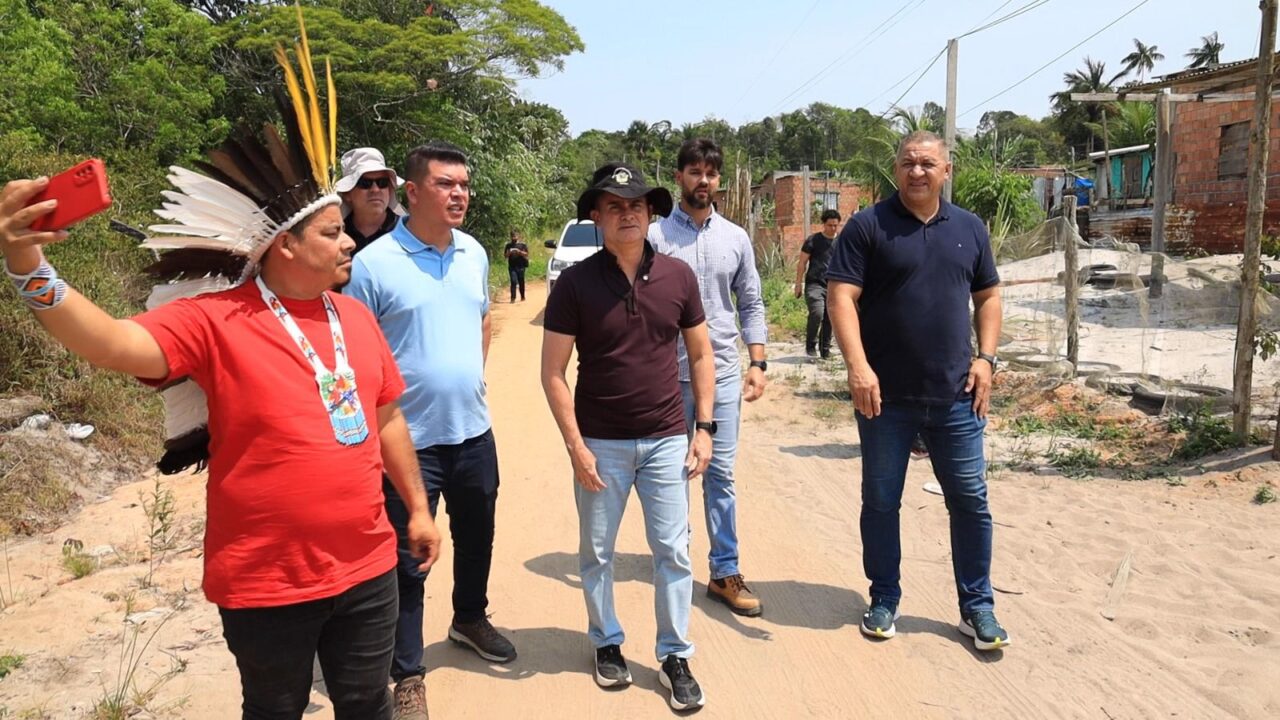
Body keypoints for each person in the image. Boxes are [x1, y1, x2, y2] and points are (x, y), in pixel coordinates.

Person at [0, 22, 441, 717]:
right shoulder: (215, 320)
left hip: (367, 569)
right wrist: (29, 266)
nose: (350, 239)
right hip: (266, 582)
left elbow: (386, 415)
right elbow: (112, 343)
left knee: (368, 705)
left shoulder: (353, 318)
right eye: (331, 233)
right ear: (284, 246)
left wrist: (415, 508)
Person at [344, 141, 514, 719]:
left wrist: (467, 381)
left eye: (464, 184)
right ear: (411, 192)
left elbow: (483, 319)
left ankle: (470, 618)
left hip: (472, 432)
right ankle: (408, 673)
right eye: (445, 184)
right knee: (408, 560)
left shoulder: (473, 252)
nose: (459, 193)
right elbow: (355, 353)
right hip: (406, 443)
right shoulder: (373, 264)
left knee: (478, 536)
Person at [826, 130, 1009, 652]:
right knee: (881, 501)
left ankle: (978, 607)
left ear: (946, 171)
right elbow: (841, 297)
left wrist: (987, 359)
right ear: (896, 169)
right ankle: (884, 596)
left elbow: (989, 297)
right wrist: (858, 368)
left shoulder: (969, 228)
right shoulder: (868, 226)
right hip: (884, 399)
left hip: (957, 395)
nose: (917, 172)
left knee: (971, 501)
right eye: (908, 163)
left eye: (928, 163)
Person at [541, 163, 715, 711]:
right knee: (596, 552)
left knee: (673, 552)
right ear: (595, 215)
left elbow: (702, 353)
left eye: (637, 204)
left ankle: (674, 656)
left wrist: (704, 427)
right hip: (601, 442)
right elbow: (553, 372)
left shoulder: (678, 277)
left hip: (666, 437)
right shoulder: (574, 284)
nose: (627, 213)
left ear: (651, 212)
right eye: (614, 205)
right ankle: (606, 642)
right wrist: (576, 446)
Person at [649, 138, 768, 617]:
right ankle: (675, 567)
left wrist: (757, 362)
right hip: (664, 374)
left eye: (711, 174)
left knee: (719, 473)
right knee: (671, 474)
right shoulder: (656, 238)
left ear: (719, 181)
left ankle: (724, 572)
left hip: (720, 374)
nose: (703, 181)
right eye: (694, 172)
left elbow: (751, 302)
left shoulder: (736, 238)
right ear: (679, 177)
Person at [335, 147, 404, 255]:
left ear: (389, 190)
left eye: (382, 182)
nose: (375, 190)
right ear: (347, 194)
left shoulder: (409, 233)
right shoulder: (335, 237)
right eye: (365, 183)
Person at [795, 209, 840, 359]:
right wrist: (798, 284)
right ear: (823, 224)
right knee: (817, 313)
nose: (833, 228)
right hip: (815, 284)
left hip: (833, 285)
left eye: (835, 225)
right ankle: (810, 346)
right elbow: (802, 263)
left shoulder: (841, 242)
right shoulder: (813, 240)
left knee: (830, 318)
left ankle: (825, 349)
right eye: (830, 225)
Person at [503, 230, 529, 302]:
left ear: (518, 236)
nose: (514, 238)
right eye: (512, 236)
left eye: (515, 236)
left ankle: (522, 296)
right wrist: (509, 252)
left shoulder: (522, 245)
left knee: (521, 281)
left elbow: (526, 254)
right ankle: (513, 298)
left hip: (521, 266)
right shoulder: (508, 246)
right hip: (512, 266)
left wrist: (519, 252)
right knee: (513, 281)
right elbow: (505, 256)